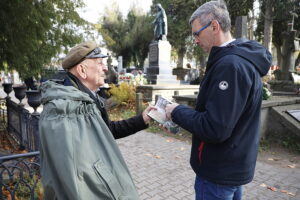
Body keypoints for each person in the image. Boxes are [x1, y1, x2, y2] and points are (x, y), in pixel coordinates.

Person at [165, 1, 272, 200]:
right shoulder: (240, 59)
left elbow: (215, 128)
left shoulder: (230, 66)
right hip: (233, 166)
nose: (195, 40)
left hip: (218, 172)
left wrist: (176, 111)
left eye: (196, 33)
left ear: (214, 27)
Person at [39, 41, 155, 199]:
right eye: (100, 63)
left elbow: (105, 130)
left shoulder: (85, 100)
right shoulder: (67, 110)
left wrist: (142, 119)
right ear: (82, 70)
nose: (106, 68)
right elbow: (78, 180)